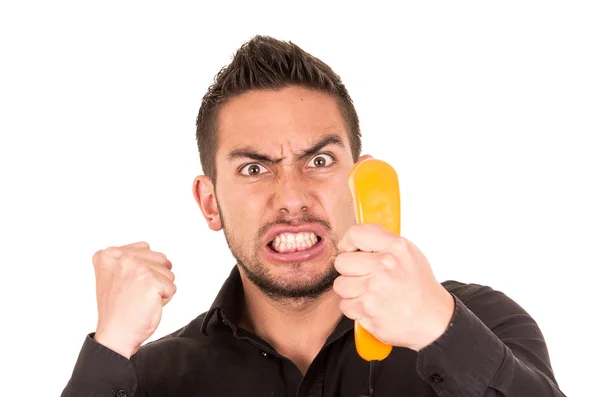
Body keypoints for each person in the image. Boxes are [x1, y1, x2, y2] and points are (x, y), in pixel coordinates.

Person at [61, 35, 565, 397]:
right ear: (210, 202)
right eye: (255, 167)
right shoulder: (150, 379)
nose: (292, 197)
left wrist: (441, 330)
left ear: (362, 181)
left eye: (319, 161)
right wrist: (108, 350)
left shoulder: (485, 325)